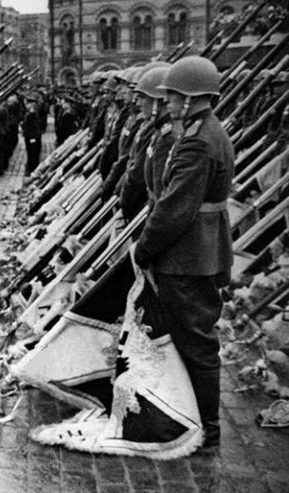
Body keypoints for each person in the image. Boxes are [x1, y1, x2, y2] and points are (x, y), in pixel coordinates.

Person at [133, 56, 234, 449]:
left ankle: (205, 428)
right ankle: (197, 420)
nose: (168, 102)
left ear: (190, 99)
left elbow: (175, 209)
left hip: (189, 256)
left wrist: (145, 249)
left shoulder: (197, 142)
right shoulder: (206, 131)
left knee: (196, 342)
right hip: (200, 251)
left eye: (173, 96)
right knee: (194, 339)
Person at [21, 96, 43, 176]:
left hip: (31, 137)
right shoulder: (33, 112)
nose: (25, 105)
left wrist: (32, 138)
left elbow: (33, 127)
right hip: (32, 136)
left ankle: (32, 169)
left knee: (32, 154)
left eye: (27, 103)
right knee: (32, 153)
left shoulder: (31, 113)